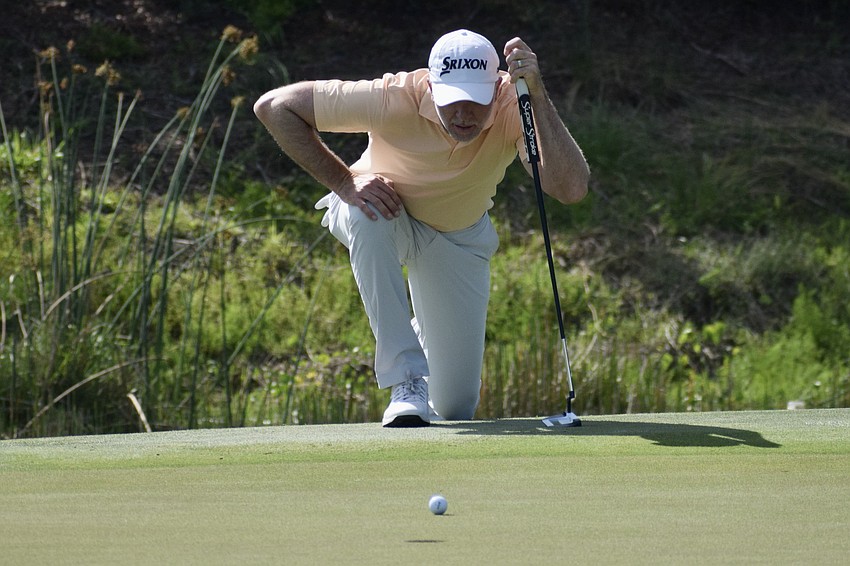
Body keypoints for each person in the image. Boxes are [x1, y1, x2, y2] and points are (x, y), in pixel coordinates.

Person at [254, 29, 589, 427]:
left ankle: (420, 337)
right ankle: (406, 380)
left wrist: (536, 95)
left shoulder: (512, 103)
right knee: (365, 215)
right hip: (383, 212)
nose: (463, 114)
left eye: (475, 102)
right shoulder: (394, 96)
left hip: (457, 239)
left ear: (496, 87)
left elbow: (569, 188)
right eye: (452, 101)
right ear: (432, 86)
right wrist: (345, 182)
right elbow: (274, 107)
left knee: (455, 407)